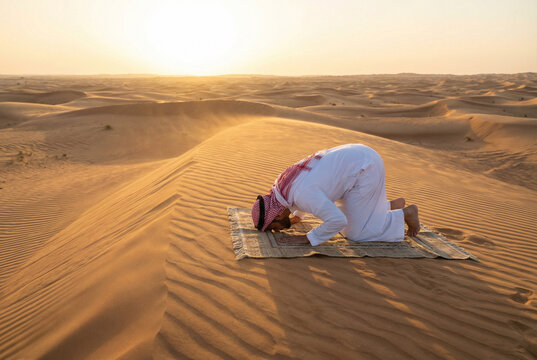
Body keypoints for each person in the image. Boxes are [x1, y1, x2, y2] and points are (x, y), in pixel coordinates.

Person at [251, 144, 420, 246]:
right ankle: (387, 206)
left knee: (355, 233)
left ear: (278, 213)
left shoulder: (303, 195)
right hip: (356, 158)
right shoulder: (282, 187)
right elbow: (305, 188)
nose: (278, 230)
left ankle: (404, 214)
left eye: (274, 227)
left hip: (365, 168)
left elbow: (338, 221)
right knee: (342, 209)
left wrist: (308, 238)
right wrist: (298, 216)